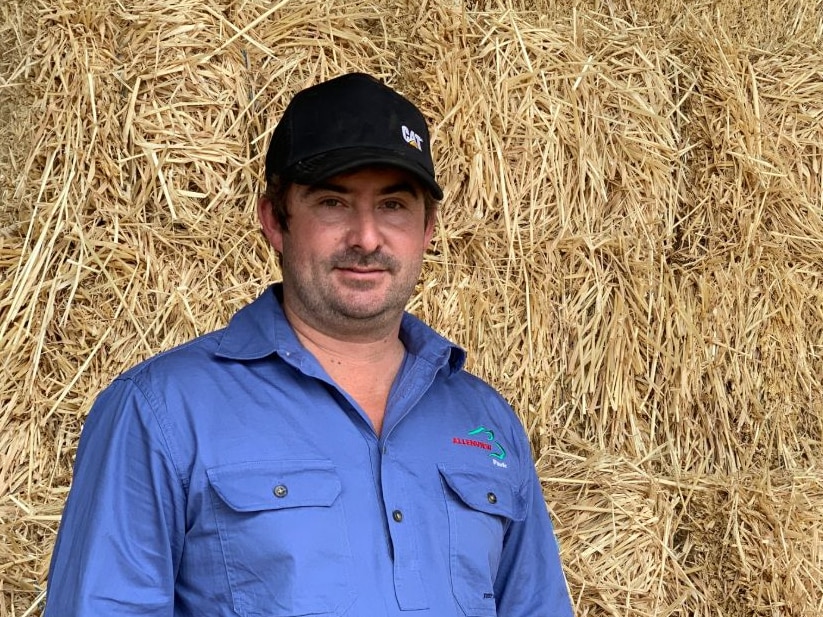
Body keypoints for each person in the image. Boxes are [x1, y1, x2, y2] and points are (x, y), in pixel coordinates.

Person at [44, 72, 574, 617]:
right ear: (275, 220)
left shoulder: (485, 420)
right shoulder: (160, 410)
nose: (367, 238)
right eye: (333, 203)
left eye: (393, 205)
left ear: (428, 228)